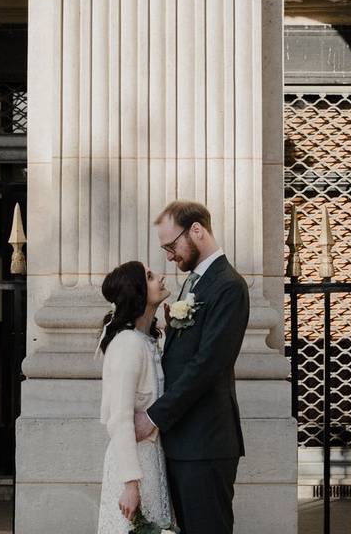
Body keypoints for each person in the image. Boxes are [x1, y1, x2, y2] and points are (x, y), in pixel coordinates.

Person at [133, 200, 249, 534]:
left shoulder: (228, 285)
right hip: (184, 440)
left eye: (171, 245)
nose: (169, 255)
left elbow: (209, 365)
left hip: (206, 441)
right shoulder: (194, 282)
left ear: (196, 230)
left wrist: (154, 416)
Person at [96, 261, 175, 533]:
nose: (161, 277)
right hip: (132, 466)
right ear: (138, 291)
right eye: (151, 277)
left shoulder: (145, 340)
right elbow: (119, 418)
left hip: (151, 458)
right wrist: (130, 484)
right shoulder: (128, 344)